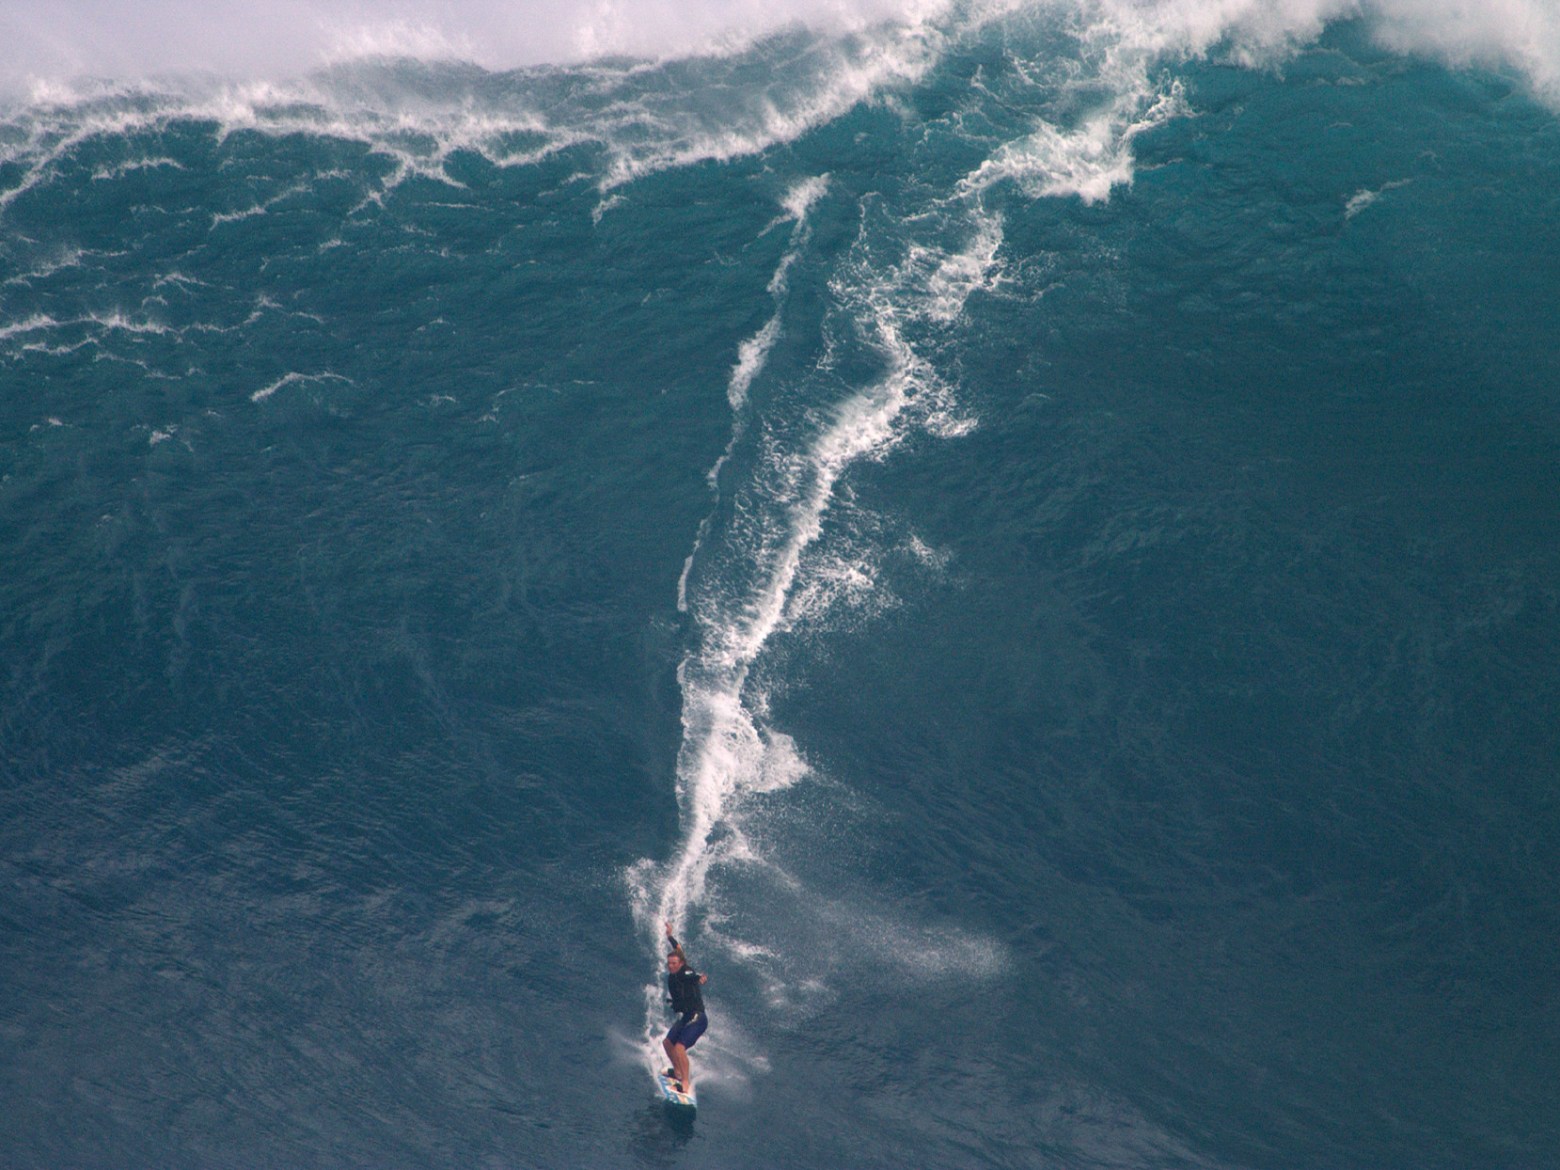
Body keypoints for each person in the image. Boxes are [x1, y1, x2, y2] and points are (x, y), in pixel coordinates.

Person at [661, 920, 708, 1094]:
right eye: (669, 963)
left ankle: (685, 1083)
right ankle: (677, 1072)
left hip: (698, 1017)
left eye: (674, 963)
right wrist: (670, 936)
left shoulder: (685, 972)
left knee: (679, 1048)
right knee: (667, 1043)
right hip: (686, 1016)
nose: (671, 966)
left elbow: (693, 976)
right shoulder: (673, 974)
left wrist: (699, 978)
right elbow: (678, 948)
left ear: (681, 963)